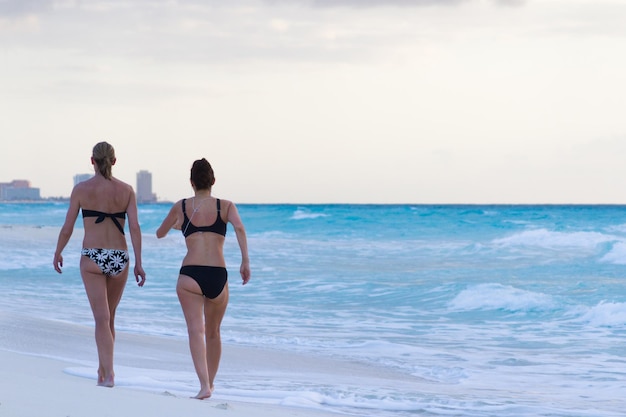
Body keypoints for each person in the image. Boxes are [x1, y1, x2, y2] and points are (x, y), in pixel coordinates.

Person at [53, 141, 146, 388]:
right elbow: (135, 228)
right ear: (114, 162)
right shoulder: (126, 190)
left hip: (93, 257)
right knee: (109, 318)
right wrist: (138, 262)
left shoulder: (81, 189)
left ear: (92, 161)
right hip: (119, 257)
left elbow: (67, 227)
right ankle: (104, 370)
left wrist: (58, 252)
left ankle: (108, 374)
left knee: (102, 319)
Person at [156, 158, 250, 400]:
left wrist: (180, 226)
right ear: (213, 181)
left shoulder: (182, 206)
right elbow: (240, 228)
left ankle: (204, 385)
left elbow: (159, 233)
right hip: (218, 274)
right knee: (214, 332)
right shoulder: (226, 206)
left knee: (195, 331)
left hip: (190, 274)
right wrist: (245, 261)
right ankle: (211, 383)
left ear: (191, 182)